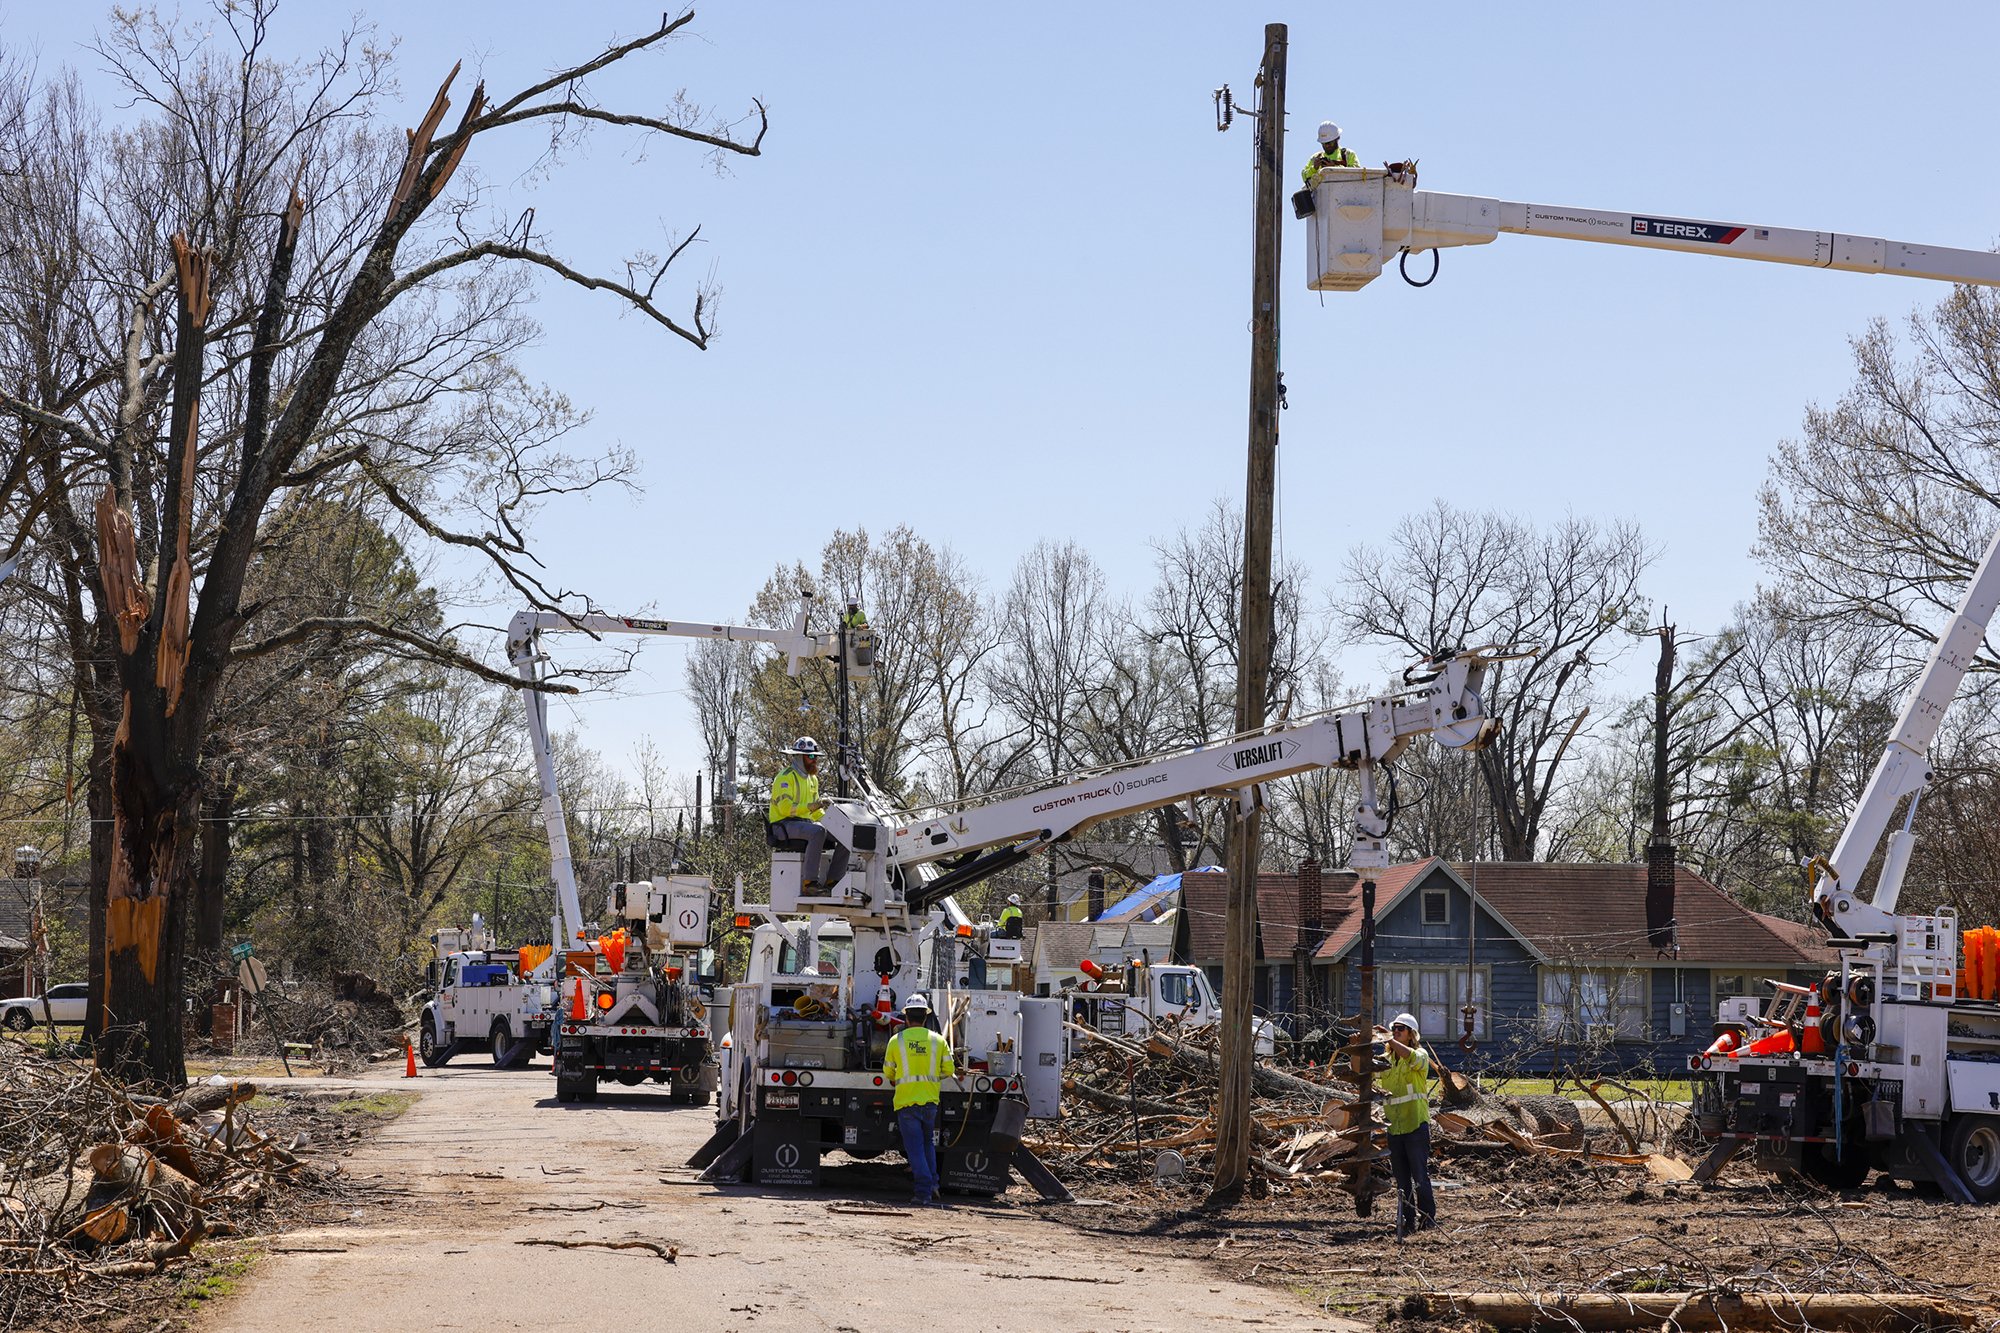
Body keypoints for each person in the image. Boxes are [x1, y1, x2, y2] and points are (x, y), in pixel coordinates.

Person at [883, 993, 956, 1207]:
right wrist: (931, 1079)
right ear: (925, 1017)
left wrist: (897, 1078)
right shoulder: (938, 1040)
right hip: (930, 1103)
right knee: (927, 1146)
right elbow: (949, 1070)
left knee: (915, 1150)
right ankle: (933, 1184)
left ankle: (923, 1193)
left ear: (906, 1018)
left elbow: (888, 1071)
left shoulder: (897, 1041)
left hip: (907, 1103)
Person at [1376, 1012, 1436, 1238]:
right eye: (1394, 1028)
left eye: (1401, 1029)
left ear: (1411, 1034)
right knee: (1402, 1179)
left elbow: (1412, 1058)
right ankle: (1407, 1220)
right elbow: (1362, 1068)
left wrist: (1387, 1039)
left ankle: (1428, 1219)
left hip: (1415, 1125)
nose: (1396, 1032)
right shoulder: (1386, 1060)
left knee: (1420, 1176)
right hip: (1395, 1127)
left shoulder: (1420, 1054)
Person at [767, 736, 850, 890]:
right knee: (818, 831)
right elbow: (786, 809)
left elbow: (817, 813)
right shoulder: (785, 778)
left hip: (805, 824)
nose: (814, 760)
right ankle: (809, 883)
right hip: (783, 825)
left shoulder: (813, 780)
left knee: (845, 835)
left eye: (816, 757)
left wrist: (836, 824)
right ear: (799, 757)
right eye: (811, 756)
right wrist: (812, 806)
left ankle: (833, 881)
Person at [1301, 120, 1359, 186]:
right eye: (1323, 143)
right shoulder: (1316, 157)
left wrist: (1334, 169)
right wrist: (1314, 168)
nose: (1326, 146)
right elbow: (1304, 175)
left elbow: (1356, 174)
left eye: (1329, 143)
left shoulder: (1348, 155)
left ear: (1337, 138)